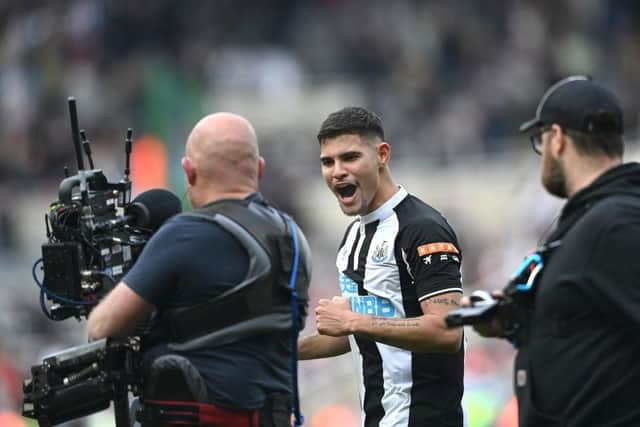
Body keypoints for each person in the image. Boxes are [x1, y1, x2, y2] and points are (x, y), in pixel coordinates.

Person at [88, 112, 312, 427]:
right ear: (259, 168)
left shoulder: (185, 233)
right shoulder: (293, 236)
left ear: (189, 172)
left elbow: (102, 327)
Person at [464, 75, 640, 426]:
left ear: (557, 139)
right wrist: (511, 319)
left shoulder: (614, 223)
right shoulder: (586, 221)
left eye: (539, 140)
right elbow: (585, 324)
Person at [298, 106, 465, 426]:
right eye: (327, 162)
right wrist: (282, 351)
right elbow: (355, 333)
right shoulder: (353, 237)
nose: (337, 171)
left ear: (382, 155)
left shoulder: (422, 228)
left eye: (349, 157)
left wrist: (353, 321)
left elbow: (447, 331)